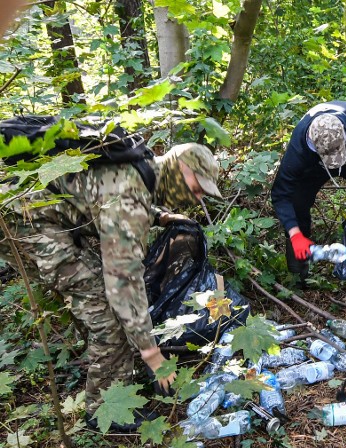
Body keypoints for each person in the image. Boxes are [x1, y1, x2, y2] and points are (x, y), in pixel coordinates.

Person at [0, 142, 222, 431]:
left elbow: (107, 190)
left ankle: (112, 367)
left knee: (100, 300)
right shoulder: (130, 201)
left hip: (29, 207)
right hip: (24, 220)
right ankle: (104, 407)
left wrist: (158, 215)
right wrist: (151, 354)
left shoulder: (140, 167)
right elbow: (123, 284)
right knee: (108, 312)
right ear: (180, 167)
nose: (197, 196)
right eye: (196, 187)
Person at [271, 101, 346, 281]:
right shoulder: (299, 149)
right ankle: (298, 271)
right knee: (297, 202)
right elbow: (280, 193)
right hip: (315, 166)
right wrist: (294, 233)